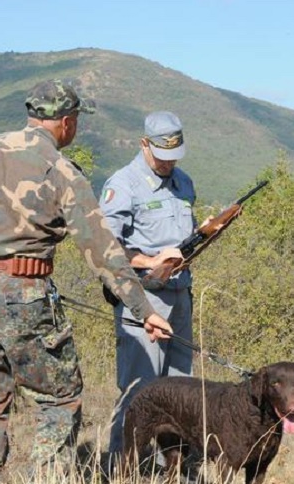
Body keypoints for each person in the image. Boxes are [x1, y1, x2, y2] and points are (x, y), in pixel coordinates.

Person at [0, 79, 172, 479]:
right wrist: (144, 310)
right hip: (21, 292)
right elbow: (103, 252)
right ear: (67, 122)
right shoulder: (62, 171)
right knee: (58, 398)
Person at [98, 111, 197, 464]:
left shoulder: (184, 182)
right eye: (162, 156)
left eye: (174, 156)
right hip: (143, 298)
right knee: (140, 391)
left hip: (181, 295)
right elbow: (105, 246)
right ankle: (123, 466)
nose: (169, 163)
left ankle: (174, 467)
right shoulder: (123, 184)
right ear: (144, 144)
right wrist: (149, 261)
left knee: (181, 390)